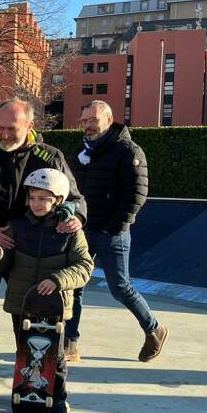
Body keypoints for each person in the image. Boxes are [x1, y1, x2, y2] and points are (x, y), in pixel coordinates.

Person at [0, 98, 87, 409]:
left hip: (31, 255)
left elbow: (75, 199)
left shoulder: (49, 157)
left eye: (11, 129)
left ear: (29, 126)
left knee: (30, 322)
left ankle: (32, 380)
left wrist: (76, 217)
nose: (3, 134)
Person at [0, 168, 93, 413]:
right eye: (33, 197)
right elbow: (6, 263)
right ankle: (30, 395)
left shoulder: (69, 230)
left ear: (58, 200)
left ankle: (58, 401)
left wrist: (57, 280)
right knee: (25, 352)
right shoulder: (18, 226)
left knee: (54, 356)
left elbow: (84, 267)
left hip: (54, 307)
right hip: (22, 303)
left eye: (44, 199)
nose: (36, 204)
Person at [65, 100, 167, 362]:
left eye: (93, 120)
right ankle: (69, 344)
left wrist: (114, 228)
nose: (87, 126)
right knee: (74, 286)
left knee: (120, 287)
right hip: (83, 231)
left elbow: (137, 194)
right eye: (84, 121)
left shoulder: (127, 151)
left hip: (112, 233)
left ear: (109, 120)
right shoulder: (80, 152)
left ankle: (154, 329)